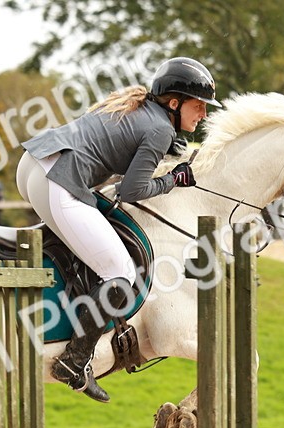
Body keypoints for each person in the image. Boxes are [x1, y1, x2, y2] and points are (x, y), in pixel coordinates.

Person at [16, 56, 220, 402]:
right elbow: (131, 191)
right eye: (199, 106)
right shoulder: (160, 129)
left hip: (34, 164)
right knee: (122, 273)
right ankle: (75, 360)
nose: (203, 114)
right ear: (174, 103)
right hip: (59, 178)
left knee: (94, 238)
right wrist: (174, 179)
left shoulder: (142, 109)